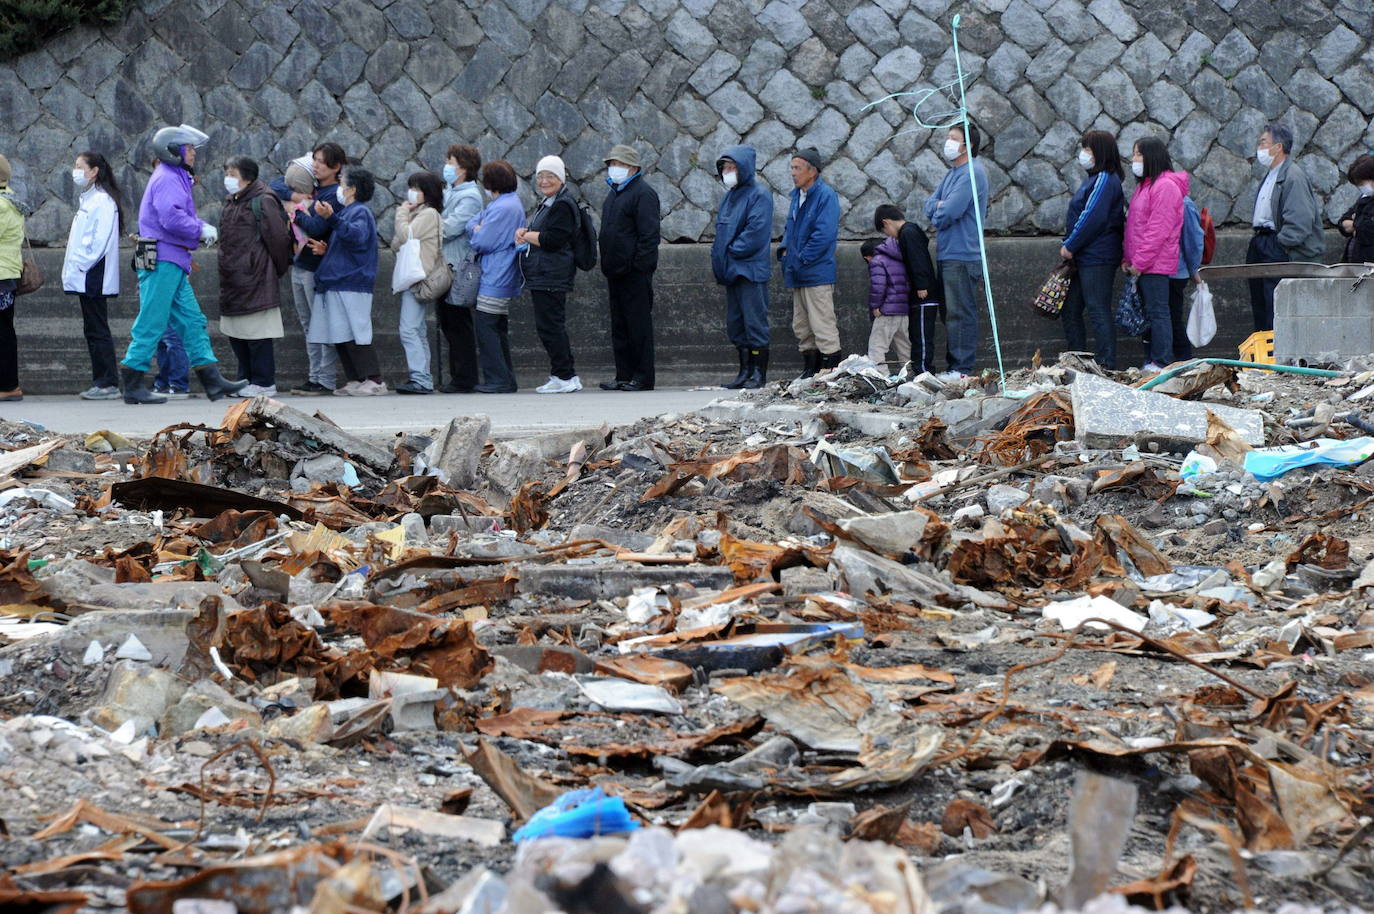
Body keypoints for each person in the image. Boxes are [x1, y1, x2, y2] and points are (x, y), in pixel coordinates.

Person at [119, 124, 246, 405]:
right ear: (173, 151)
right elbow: (171, 218)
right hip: (164, 257)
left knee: (191, 321)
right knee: (153, 320)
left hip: (171, 258)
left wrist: (199, 226)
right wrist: (199, 230)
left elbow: (174, 215)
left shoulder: (174, 175)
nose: (192, 153)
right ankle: (133, 377)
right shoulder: (169, 177)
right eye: (188, 148)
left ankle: (212, 380)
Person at [272, 143, 346, 395]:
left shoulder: (334, 195)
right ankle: (314, 375)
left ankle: (324, 379)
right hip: (301, 264)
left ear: (336, 167)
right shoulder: (311, 190)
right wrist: (296, 198)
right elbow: (275, 184)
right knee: (307, 323)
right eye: (314, 160)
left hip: (318, 268)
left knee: (320, 323)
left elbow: (317, 228)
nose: (315, 165)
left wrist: (295, 213)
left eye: (321, 162)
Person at [305, 166, 384, 396]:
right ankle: (356, 377)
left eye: (342, 184)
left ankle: (374, 378)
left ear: (352, 189)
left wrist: (331, 218)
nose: (339, 188)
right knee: (340, 333)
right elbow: (350, 244)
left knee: (356, 331)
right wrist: (326, 250)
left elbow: (357, 238)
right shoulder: (350, 212)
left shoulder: (360, 212)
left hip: (352, 282)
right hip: (340, 281)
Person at [218, 156, 292, 397]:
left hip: (256, 276)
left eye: (232, 173)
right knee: (238, 333)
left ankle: (263, 381)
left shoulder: (264, 201)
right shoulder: (233, 201)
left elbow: (279, 240)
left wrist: (271, 269)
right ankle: (246, 379)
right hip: (233, 278)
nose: (228, 178)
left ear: (247, 177)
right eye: (227, 173)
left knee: (258, 334)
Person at [924, 122, 989, 381]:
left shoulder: (973, 173)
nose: (948, 143)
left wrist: (939, 208)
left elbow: (948, 212)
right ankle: (954, 365)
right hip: (948, 252)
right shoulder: (952, 173)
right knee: (950, 313)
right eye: (948, 137)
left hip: (963, 254)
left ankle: (961, 368)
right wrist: (939, 207)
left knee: (961, 312)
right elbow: (929, 204)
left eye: (954, 138)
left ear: (968, 145)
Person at [1246, 124, 1325, 332]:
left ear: (1278, 147)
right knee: (1260, 301)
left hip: (1277, 244)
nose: (1259, 147)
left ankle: (1278, 355)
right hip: (1262, 240)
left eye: (1263, 142)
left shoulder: (1293, 175)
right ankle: (1266, 351)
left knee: (1275, 302)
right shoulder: (1272, 174)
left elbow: (1300, 220)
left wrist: (1280, 244)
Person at [1059, 130, 1125, 370]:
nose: (1084, 154)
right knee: (1071, 308)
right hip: (1085, 256)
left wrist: (1070, 245)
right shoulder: (1096, 179)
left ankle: (1106, 363)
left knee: (1097, 309)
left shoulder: (1105, 179)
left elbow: (1091, 218)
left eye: (1088, 149)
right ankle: (1076, 360)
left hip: (1097, 257)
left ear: (1100, 153)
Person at [1122, 136, 1189, 372]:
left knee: (1159, 312)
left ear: (1152, 156)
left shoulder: (1165, 186)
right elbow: (1135, 228)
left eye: (1138, 154)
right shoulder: (1146, 186)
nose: (1134, 159)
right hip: (1142, 263)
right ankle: (1151, 359)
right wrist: (1127, 259)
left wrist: (1139, 262)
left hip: (1155, 264)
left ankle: (1161, 361)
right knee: (1148, 313)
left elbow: (1157, 231)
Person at [517, 155, 582, 394]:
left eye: (550, 176)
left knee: (551, 326)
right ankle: (561, 374)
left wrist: (526, 235)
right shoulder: (549, 202)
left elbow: (553, 239)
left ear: (561, 178)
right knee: (549, 326)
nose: (544, 181)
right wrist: (528, 232)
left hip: (552, 273)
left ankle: (565, 376)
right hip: (545, 272)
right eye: (540, 176)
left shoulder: (562, 204)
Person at [598, 143, 660, 392]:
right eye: (612, 164)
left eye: (619, 164)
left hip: (634, 272)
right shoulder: (614, 194)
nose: (614, 168)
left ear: (633, 167)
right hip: (615, 271)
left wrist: (640, 266)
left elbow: (649, 235)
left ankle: (643, 376)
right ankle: (624, 373)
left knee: (638, 326)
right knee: (620, 326)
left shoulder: (643, 193)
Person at [62, 151, 123, 400]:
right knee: (93, 328)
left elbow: (96, 243)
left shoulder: (102, 202)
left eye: (79, 166)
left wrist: (79, 263)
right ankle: (102, 380)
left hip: (92, 274)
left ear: (94, 171)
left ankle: (107, 382)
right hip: (87, 273)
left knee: (97, 329)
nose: (75, 171)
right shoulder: (90, 199)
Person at [710, 144, 773, 389]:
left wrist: (729, 252)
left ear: (744, 168)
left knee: (755, 321)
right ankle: (744, 370)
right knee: (736, 323)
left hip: (750, 270)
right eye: (724, 167)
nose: (727, 171)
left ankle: (759, 372)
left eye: (731, 167)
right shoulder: (730, 196)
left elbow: (755, 233)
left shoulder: (759, 195)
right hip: (731, 271)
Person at [778, 147, 840, 378]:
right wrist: (784, 251)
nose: (792, 173)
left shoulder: (825, 196)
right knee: (802, 326)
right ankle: (809, 369)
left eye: (797, 168)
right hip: (796, 270)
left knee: (822, 322)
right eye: (792, 168)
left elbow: (823, 235)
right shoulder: (797, 196)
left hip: (816, 272)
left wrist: (802, 258)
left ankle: (829, 370)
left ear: (812, 171)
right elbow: (790, 228)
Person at [467, 160, 524, 394]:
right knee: (497, 329)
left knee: (487, 329)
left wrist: (477, 230)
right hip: (502, 273)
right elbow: (474, 223)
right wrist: (476, 227)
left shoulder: (501, 208)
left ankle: (498, 379)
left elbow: (482, 240)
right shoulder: (510, 203)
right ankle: (505, 378)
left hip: (495, 275)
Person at [392, 170, 446, 395]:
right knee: (417, 329)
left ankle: (421, 378)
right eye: (411, 187)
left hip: (417, 278)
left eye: (417, 188)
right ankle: (422, 376)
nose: (412, 193)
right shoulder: (421, 214)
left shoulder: (429, 214)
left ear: (428, 193)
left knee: (409, 329)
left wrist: (402, 213)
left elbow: (405, 236)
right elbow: (397, 242)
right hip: (412, 277)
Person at [439, 144, 484, 393]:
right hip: (445, 265)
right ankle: (458, 375)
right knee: (449, 322)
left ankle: (465, 377)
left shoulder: (470, 196)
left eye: (451, 161)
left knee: (458, 324)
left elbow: (449, 228)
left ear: (464, 168)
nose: (446, 165)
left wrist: (429, 225)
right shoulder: (449, 191)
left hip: (457, 266)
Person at [874, 204, 938, 374]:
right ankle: (919, 369)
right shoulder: (911, 231)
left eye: (885, 231)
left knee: (922, 336)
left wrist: (921, 285)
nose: (888, 236)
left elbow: (918, 259)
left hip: (924, 294)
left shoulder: (907, 233)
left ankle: (923, 370)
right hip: (920, 294)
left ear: (886, 222)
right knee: (916, 335)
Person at [862, 237, 911, 375]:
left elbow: (878, 287)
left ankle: (882, 377)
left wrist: (876, 307)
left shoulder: (876, 262)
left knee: (877, 346)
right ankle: (911, 376)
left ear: (868, 257)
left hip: (886, 311)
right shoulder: (898, 259)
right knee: (905, 347)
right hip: (903, 310)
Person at [0, 154, 25, 402]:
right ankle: (8, 384)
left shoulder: (1, 205)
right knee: (4, 330)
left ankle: (9, 385)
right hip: (7, 275)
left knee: (3, 332)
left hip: (1, 276)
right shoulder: (11, 198)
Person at [1337, 154, 1374, 264]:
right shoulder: (1364, 198)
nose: (1360, 187)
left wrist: (1356, 223)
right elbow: (1343, 222)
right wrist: (1356, 224)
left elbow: (1367, 230)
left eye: (1361, 183)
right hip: (1356, 262)